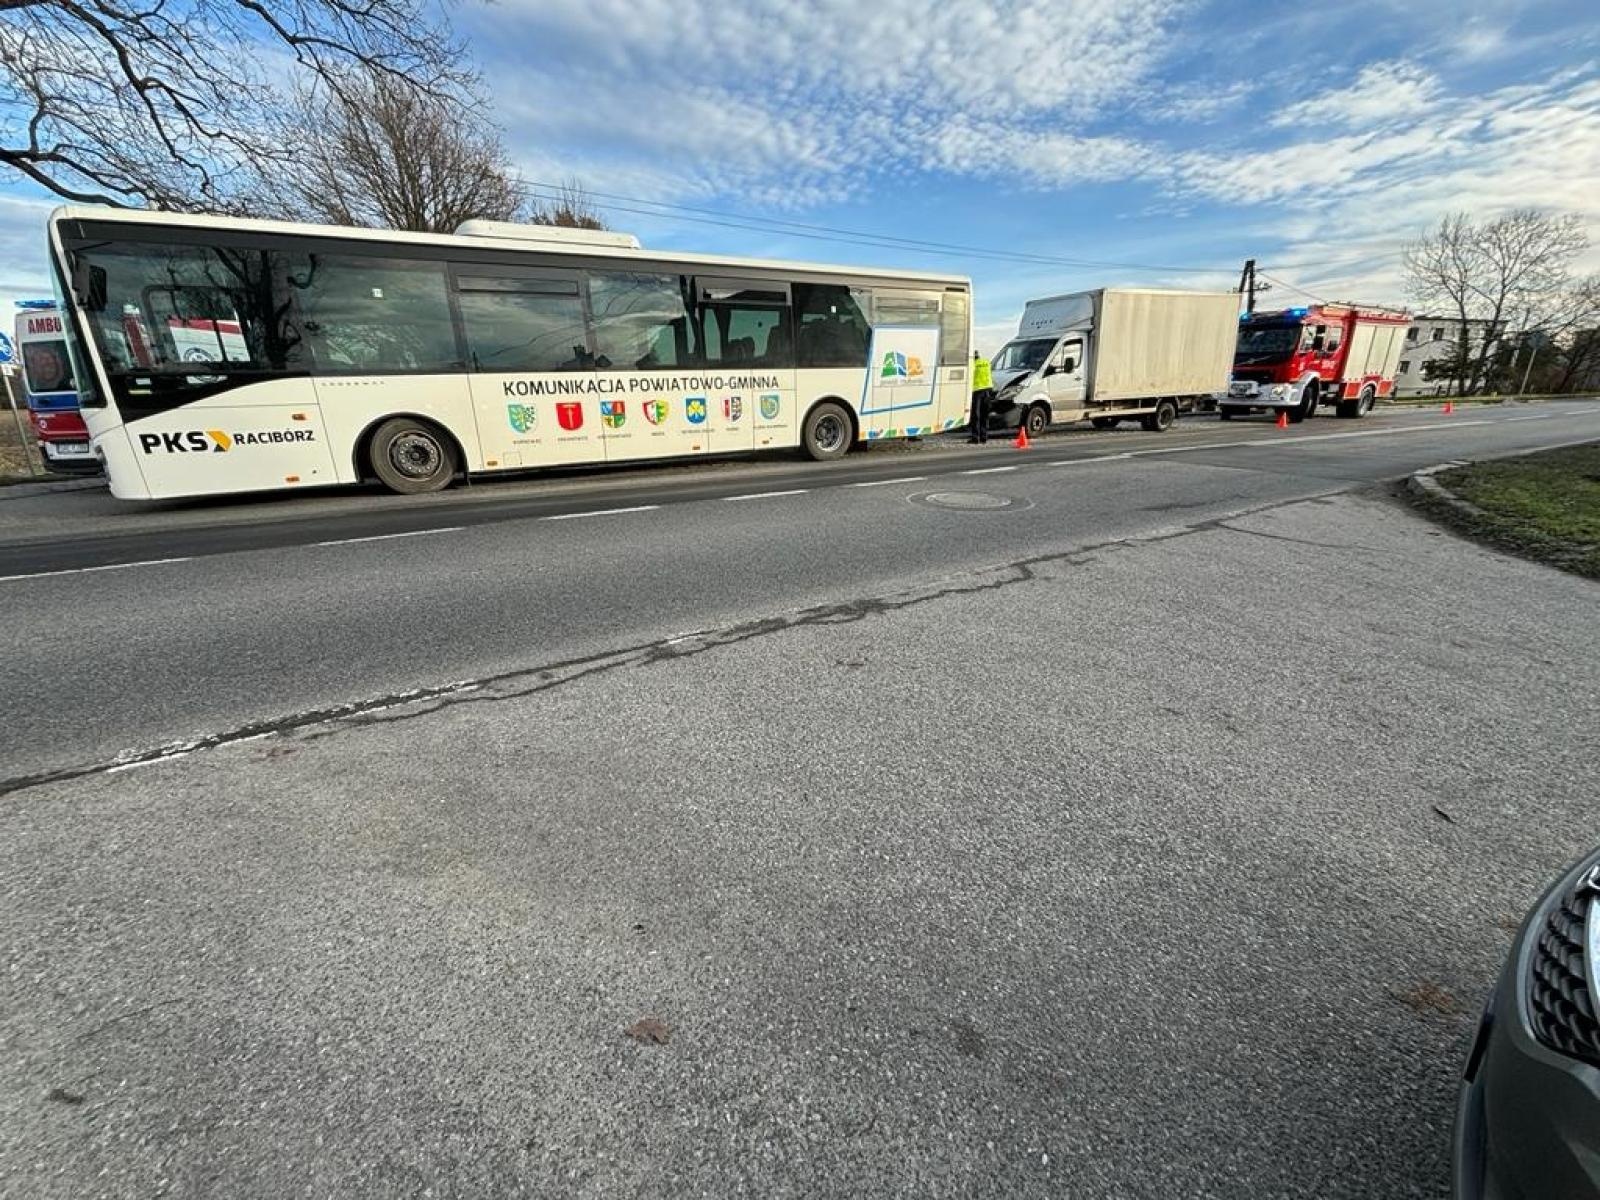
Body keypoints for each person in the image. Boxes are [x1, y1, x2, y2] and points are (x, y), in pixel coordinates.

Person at [967, 349, 994, 443]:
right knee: (985, 414)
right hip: (988, 390)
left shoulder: (972, 365)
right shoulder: (986, 362)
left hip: (977, 391)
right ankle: (984, 437)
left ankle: (975, 438)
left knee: (976, 415)